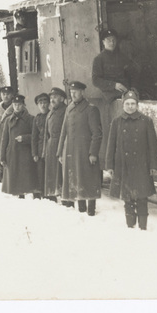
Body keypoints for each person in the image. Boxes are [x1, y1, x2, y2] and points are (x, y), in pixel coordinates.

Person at [105, 90, 157, 229]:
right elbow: (111, 145)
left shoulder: (146, 121)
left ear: (137, 105)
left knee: (142, 197)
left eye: (133, 103)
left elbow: (153, 145)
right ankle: (130, 226)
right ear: (123, 105)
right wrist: (109, 165)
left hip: (142, 165)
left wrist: (154, 165)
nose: (130, 106)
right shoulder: (117, 122)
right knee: (127, 197)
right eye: (127, 104)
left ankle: (142, 227)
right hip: (123, 165)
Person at [92, 28, 140, 160]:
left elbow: (133, 74)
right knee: (112, 128)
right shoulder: (99, 59)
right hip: (109, 97)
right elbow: (95, 80)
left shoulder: (123, 57)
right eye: (108, 40)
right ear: (103, 42)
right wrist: (114, 85)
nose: (111, 42)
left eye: (113, 40)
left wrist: (134, 88)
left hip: (125, 95)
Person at [57, 81, 103, 216]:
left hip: (85, 152)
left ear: (82, 92)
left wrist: (93, 153)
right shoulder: (69, 108)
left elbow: (97, 134)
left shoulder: (91, 109)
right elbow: (63, 131)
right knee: (77, 179)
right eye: (71, 92)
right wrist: (60, 152)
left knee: (88, 179)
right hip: (71, 152)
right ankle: (81, 210)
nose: (73, 94)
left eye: (76, 91)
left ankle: (91, 210)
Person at [0, 94, 40, 198]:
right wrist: (2, 156)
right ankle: (20, 198)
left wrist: (24, 138)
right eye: (15, 105)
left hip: (27, 153)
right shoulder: (8, 120)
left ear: (23, 105)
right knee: (16, 178)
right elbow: (4, 139)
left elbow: (36, 136)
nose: (17, 107)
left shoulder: (31, 119)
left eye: (19, 104)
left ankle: (36, 197)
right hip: (13, 153)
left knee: (29, 177)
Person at [42, 87, 68, 203]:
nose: (52, 100)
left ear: (62, 99)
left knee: (61, 171)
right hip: (50, 145)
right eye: (51, 97)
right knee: (52, 171)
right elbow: (46, 134)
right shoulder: (50, 112)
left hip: (60, 144)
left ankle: (64, 195)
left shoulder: (66, 111)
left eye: (55, 97)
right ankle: (52, 193)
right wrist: (44, 150)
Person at [30, 93, 50, 199]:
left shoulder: (52, 115)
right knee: (40, 173)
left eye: (45, 102)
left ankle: (51, 195)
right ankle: (42, 193)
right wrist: (34, 153)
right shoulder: (37, 118)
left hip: (50, 149)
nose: (43, 105)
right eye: (40, 103)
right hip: (40, 150)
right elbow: (34, 137)